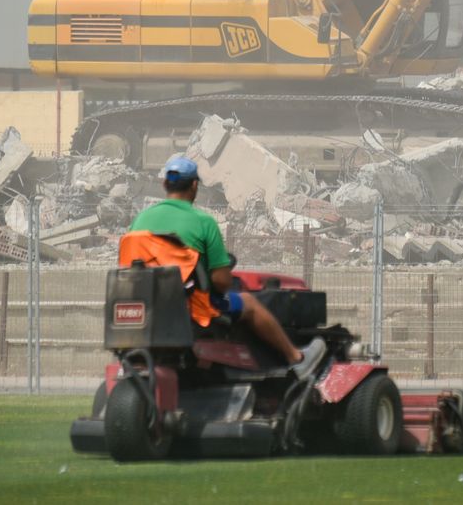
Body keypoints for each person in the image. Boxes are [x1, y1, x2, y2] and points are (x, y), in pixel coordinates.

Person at [127, 155, 324, 377]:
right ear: (194, 186)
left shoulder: (140, 221)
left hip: (147, 307)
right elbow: (221, 281)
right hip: (189, 309)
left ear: (164, 184)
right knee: (248, 303)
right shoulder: (203, 222)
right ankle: (296, 358)